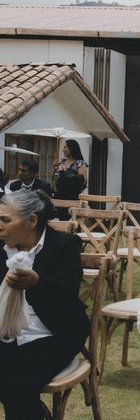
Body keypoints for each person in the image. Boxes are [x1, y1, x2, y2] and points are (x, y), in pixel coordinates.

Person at [0, 190, 89, 419]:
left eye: (5, 220)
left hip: (54, 332)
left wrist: (36, 283)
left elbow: (67, 297)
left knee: (16, 383)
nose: (0, 226)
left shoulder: (64, 245)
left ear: (32, 220)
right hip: (7, 332)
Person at [52, 140, 88, 219]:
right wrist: (54, 169)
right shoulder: (61, 162)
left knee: (70, 223)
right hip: (58, 197)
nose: (63, 150)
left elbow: (83, 182)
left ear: (72, 148)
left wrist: (68, 176)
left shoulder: (80, 163)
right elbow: (54, 179)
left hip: (72, 198)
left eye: (65, 147)